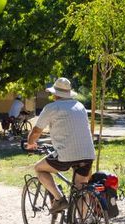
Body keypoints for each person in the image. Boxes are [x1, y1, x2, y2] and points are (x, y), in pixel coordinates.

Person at [26, 77, 95, 214]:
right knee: (80, 187)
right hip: (88, 153)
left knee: (39, 168)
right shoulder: (80, 106)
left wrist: (30, 143)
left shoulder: (51, 108)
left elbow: (36, 132)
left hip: (66, 155)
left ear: (55, 94)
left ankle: (59, 198)